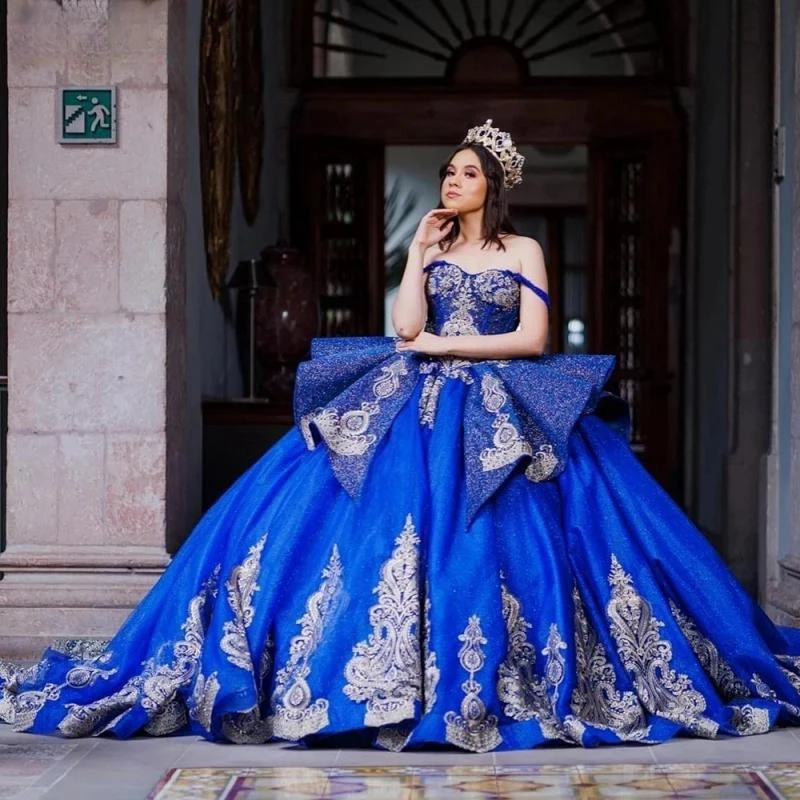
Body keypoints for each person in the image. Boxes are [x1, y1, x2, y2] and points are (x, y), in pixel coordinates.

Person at [1, 120, 799, 753]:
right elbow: (406, 326)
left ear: (495, 183)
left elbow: (530, 339)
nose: (454, 181)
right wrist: (418, 254)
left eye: (467, 172)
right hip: (417, 395)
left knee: (518, 531)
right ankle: (370, 681)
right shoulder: (439, 243)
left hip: (495, 395)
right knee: (351, 514)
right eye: (450, 170)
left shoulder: (521, 248)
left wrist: (449, 348)